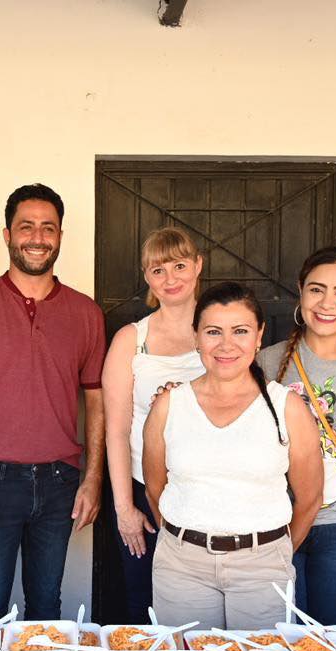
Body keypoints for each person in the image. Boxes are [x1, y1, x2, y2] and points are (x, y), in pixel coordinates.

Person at [0, 184, 106, 624]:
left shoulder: (86, 313)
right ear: (7, 235)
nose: (38, 237)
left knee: (47, 604)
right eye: (26, 226)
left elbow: (97, 402)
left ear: (60, 236)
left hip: (60, 479)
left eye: (48, 227)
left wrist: (92, 480)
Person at [142, 282, 323, 630]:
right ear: (196, 336)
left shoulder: (287, 407)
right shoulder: (169, 405)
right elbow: (155, 488)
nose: (226, 344)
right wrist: (187, 540)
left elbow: (310, 497)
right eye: (213, 331)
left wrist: (273, 553)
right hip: (181, 566)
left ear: (259, 336)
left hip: (263, 565)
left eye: (240, 331)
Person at [259, 247, 336, 625]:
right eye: (317, 289)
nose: (327, 303)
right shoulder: (266, 361)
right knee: (279, 631)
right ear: (301, 290)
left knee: (326, 635)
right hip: (278, 520)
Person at [101, 226, 205, 624]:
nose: (170, 278)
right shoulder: (131, 339)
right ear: (147, 276)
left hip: (205, 491)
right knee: (144, 603)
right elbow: (115, 430)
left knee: (201, 605)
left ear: (197, 266)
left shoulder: (218, 332)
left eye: (179, 265)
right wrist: (124, 508)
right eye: (158, 270)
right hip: (145, 489)